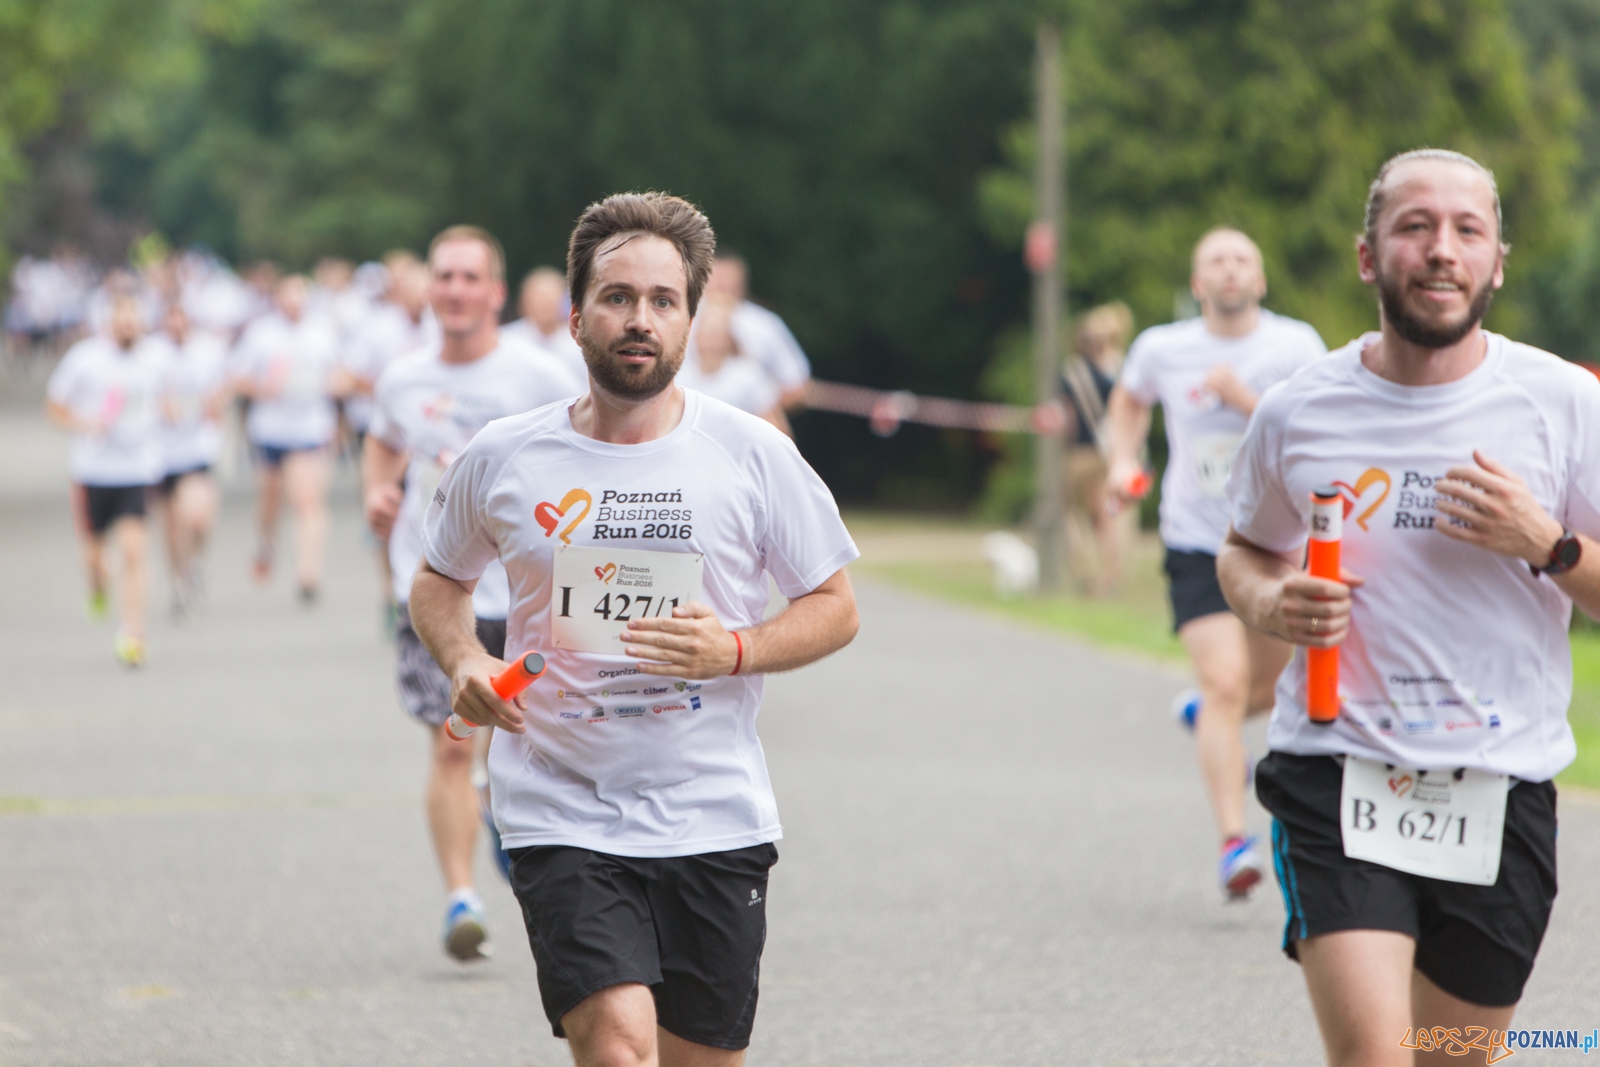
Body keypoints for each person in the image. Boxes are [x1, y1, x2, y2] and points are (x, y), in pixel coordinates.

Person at [411, 192, 859, 1066]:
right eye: (618, 297)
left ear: (692, 318)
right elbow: (439, 576)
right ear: (575, 317)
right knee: (620, 1046)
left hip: (712, 812)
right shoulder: (506, 454)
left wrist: (735, 649)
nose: (640, 319)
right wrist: (465, 654)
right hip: (560, 804)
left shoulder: (751, 452)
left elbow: (835, 605)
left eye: (664, 300)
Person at [1219, 148, 1600, 1067]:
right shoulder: (1297, 410)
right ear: (1367, 256)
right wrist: (1275, 600)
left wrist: (1545, 543)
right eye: (1415, 226)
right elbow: (1242, 549)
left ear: (1497, 260)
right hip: (1337, 772)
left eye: (1468, 230)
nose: (1442, 249)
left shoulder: (1562, 403)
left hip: (1501, 785)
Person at [363, 225, 582, 962]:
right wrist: (376, 494)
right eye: (444, 276)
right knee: (453, 747)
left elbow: (584, 454)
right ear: (430, 289)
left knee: (531, 743)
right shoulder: (402, 379)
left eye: (469, 277)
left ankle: (498, 813)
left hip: (521, 595)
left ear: (495, 291)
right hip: (431, 591)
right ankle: (463, 897)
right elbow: (384, 442)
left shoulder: (540, 374)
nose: (454, 289)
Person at [1105, 227, 1326, 898]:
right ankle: (1234, 841)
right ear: (1198, 284)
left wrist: (1244, 400)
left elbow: (1321, 426)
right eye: (1215, 263)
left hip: (1276, 542)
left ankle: (1209, 717)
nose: (1229, 271)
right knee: (1227, 684)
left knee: (1265, 690)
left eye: (1242, 261)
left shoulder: (1296, 345)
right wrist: (1122, 457)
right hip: (1197, 541)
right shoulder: (1162, 348)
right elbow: (1129, 399)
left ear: (1259, 281)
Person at [45, 295, 168, 665]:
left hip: (136, 469)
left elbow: (164, 400)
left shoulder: (155, 359)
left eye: (135, 318)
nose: (129, 325)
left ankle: (132, 632)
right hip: (92, 470)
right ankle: (97, 584)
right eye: (122, 319)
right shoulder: (85, 359)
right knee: (95, 559)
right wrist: (86, 424)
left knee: (134, 552)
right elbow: (54, 406)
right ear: (109, 323)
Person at [231, 274, 348, 602]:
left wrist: (337, 387)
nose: (294, 302)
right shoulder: (261, 333)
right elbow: (237, 377)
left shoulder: (323, 332)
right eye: (288, 295)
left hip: (311, 428)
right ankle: (267, 544)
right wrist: (261, 388)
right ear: (278, 298)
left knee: (308, 501)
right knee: (270, 501)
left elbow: (340, 373)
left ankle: (308, 575)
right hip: (270, 429)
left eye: (300, 295)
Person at [152, 302, 228, 616]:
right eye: (171, 321)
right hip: (161, 452)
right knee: (172, 524)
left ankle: (194, 561)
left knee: (198, 518)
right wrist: (159, 407)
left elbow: (227, 384)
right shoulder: (151, 355)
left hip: (198, 447)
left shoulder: (208, 351)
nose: (177, 327)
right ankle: (179, 580)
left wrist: (216, 404)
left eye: (181, 320)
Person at [1061, 301, 1134, 597]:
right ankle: (1110, 576)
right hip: (1109, 454)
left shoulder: (1070, 373)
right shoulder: (1116, 372)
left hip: (1078, 454)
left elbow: (1065, 417)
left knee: (1069, 515)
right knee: (1108, 517)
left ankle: (1081, 570)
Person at [704, 253, 811, 409]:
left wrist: (758, 409)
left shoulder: (764, 324)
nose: (721, 284)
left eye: (726, 278)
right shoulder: (682, 319)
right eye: (716, 277)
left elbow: (796, 385)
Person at [676, 291, 790, 434]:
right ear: (696, 336)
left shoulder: (748, 377)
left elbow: (776, 429)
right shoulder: (678, 374)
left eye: (717, 334)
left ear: (728, 338)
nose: (712, 342)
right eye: (708, 333)